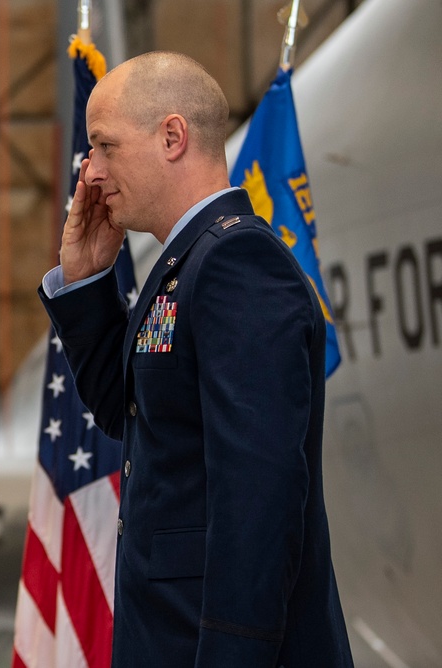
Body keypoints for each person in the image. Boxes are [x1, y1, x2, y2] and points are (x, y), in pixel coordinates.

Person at [39, 52, 353, 667]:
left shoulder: (238, 266)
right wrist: (83, 283)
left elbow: (258, 501)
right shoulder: (188, 264)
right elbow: (134, 416)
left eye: (104, 146)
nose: (90, 171)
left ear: (173, 137)